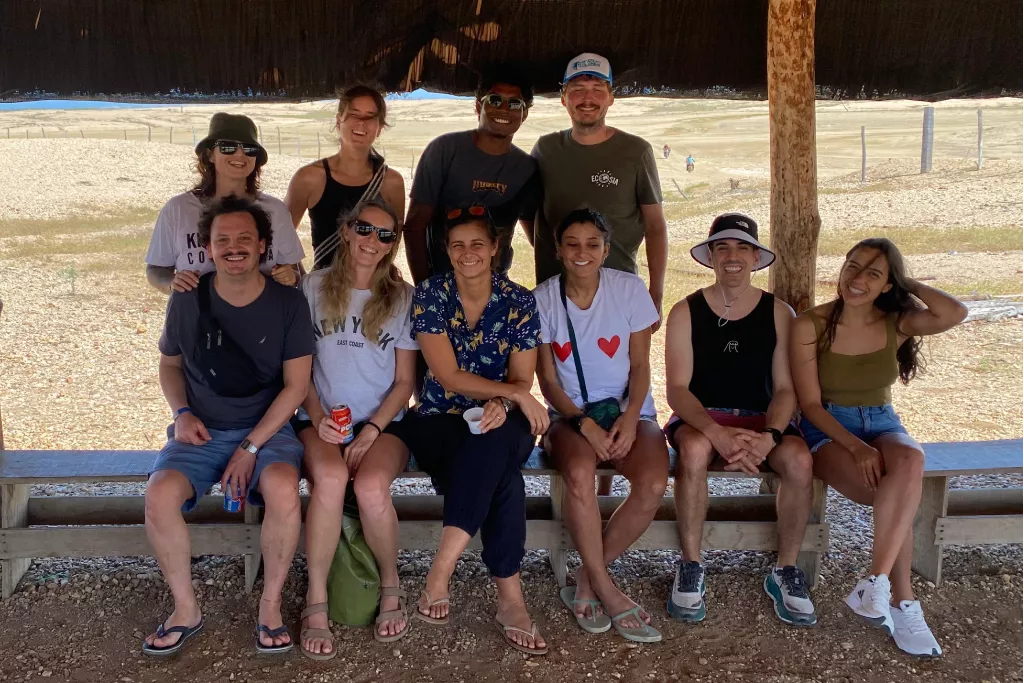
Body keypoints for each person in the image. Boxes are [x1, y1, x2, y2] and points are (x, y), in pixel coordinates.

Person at [142, 196, 314, 657]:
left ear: (263, 245)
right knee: (158, 494)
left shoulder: (289, 302)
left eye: (244, 239)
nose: (234, 248)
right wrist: (182, 414)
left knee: (282, 489)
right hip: (200, 428)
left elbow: (296, 387)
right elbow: (169, 366)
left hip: (268, 429)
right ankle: (185, 609)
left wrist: (252, 446)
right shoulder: (186, 299)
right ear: (207, 247)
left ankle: (271, 605)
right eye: (223, 240)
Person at [791, 238, 967, 657]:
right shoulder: (810, 324)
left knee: (911, 460)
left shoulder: (896, 321)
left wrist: (906, 281)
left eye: (873, 273)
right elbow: (811, 405)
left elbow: (955, 313)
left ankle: (877, 582)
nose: (857, 279)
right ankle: (903, 602)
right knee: (894, 497)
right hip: (828, 428)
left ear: (888, 285)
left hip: (883, 420)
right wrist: (855, 447)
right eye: (853, 267)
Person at [391, 207, 550, 655]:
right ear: (447, 250)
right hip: (440, 419)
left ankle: (440, 572)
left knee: (493, 441)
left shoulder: (519, 300)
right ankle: (510, 601)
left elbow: (522, 379)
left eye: (477, 243)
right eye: (457, 244)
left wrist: (504, 401)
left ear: (496, 247)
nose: (468, 253)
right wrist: (514, 394)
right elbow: (447, 376)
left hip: (502, 420)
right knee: (502, 474)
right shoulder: (431, 295)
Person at [663, 213, 818, 627]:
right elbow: (677, 389)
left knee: (800, 460)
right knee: (693, 449)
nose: (732, 256)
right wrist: (715, 433)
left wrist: (769, 436)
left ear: (755, 256)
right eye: (722, 248)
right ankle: (692, 563)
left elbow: (786, 389)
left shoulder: (778, 312)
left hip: (761, 418)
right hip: (703, 418)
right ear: (710, 256)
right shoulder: (685, 311)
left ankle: (785, 569)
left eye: (742, 248)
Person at [534, 209, 668, 642]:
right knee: (577, 473)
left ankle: (591, 578)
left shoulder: (628, 289)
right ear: (557, 250)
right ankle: (606, 587)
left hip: (629, 409)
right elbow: (548, 382)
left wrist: (631, 418)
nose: (581, 252)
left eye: (593, 243)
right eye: (571, 243)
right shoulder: (542, 299)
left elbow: (642, 365)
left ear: (607, 250)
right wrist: (581, 423)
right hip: (569, 416)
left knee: (651, 483)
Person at [293, 197, 419, 657]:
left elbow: (405, 380)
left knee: (369, 488)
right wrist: (321, 418)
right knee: (328, 478)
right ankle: (317, 598)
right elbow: (300, 370)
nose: (373, 242)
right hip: (320, 418)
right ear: (346, 231)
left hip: (382, 423)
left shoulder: (402, 298)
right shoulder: (312, 287)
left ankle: (390, 585)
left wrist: (372, 430)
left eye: (386, 236)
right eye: (365, 230)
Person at [528, 53, 668, 330]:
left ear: (611, 97)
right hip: (555, 293)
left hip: (617, 289)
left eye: (597, 90)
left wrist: (656, 294)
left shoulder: (635, 151)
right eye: (577, 90)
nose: (587, 99)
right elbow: (530, 215)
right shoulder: (545, 149)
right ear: (563, 97)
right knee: (554, 370)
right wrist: (556, 253)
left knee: (624, 369)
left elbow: (655, 226)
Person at [404, 65, 540, 283]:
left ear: (524, 114)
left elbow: (537, 237)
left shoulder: (526, 168)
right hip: (441, 285)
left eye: (515, 103)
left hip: (495, 293)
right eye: (494, 100)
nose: (504, 109)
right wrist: (425, 290)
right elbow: (414, 227)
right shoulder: (445, 150)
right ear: (479, 106)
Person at [145, 113, 304, 293]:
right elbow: (155, 269)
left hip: (260, 316)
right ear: (210, 154)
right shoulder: (178, 209)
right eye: (228, 147)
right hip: (198, 315)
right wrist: (172, 283)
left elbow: (294, 270)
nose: (239, 154)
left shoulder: (275, 210)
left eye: (249, 148)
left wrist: (290, 276)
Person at [285, 85, 406, 271]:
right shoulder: (309, 178)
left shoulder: (391, 182)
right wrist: (302, 278)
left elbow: (393, 240)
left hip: (372, 290)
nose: (361, 123)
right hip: (323, 291)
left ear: (380, 128)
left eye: (370, 117)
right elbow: (282, 235)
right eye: (354, 114)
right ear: (338, 120)